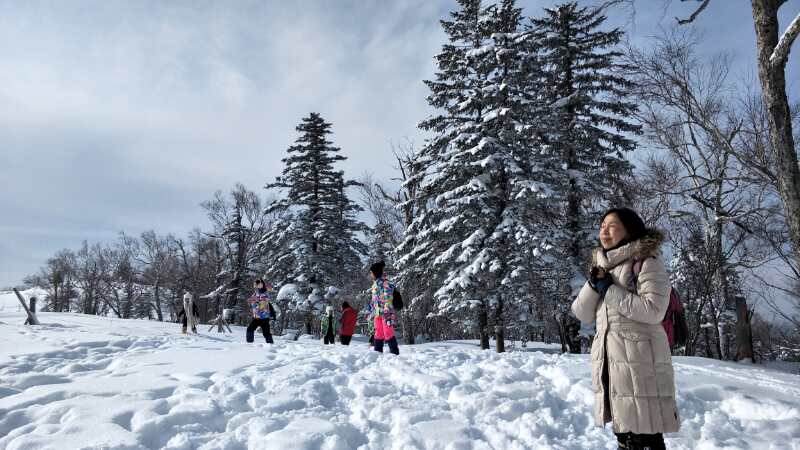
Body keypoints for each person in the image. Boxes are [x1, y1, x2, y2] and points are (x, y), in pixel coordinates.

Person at [571, 208, 679, 450]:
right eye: (602, 225)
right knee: (625, 438)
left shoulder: (647, 262)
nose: (604, 230)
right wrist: (594, 284)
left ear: (630, 229)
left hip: (642, 368)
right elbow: (581, 313)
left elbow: (653, 310)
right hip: (612, 365)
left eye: (612, 225)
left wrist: (608, 289)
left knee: (644, 438)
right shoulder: (604, 268)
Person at [367, 261, 400, 355]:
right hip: (377, 313)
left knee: (388, 333)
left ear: (375, 272)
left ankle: (395, 354)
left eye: (371, 273)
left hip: (387, 314)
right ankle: (377, 354)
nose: (371, 275)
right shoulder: (374, 285)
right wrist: (370, 309)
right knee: (378, 333)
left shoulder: (386, 283)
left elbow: (388, 299)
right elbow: (375, 300)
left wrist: (386, 312)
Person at [246, 279, 275, 344]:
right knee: (250, 330)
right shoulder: (256, 293)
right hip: (257, 317)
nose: (255, 286)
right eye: (255, 285)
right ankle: (249, 345)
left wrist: (254, 302)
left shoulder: (264, 293)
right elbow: (251, 300)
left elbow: (263, 302)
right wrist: (251, 301)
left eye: (257, 284)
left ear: (261, 285)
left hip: (264, 317)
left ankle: (271, 345)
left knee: (266, 333)